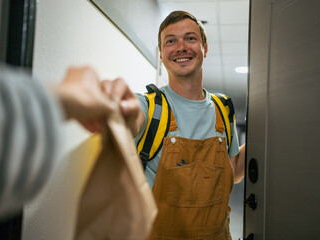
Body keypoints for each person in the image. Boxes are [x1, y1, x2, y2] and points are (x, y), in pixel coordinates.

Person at [105, 11, 246, 239]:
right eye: (171, 41)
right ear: (161, 54)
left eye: (190, 38)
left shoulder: (223, 108)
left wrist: (268, 127)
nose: (181, 47)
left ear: (205, 48)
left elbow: (234, 173)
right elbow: (124, 118)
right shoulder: (150, 107)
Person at [0, 54, 138, 227]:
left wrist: (63, 97)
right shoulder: (155, 101)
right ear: (159, 54)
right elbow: (139, 119)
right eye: (167, 41)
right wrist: (66, 96)